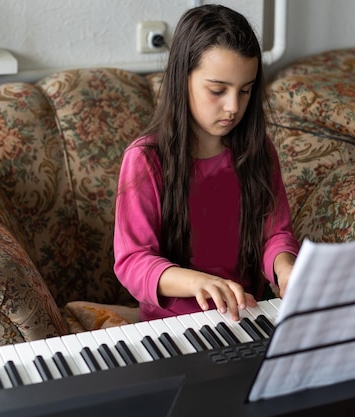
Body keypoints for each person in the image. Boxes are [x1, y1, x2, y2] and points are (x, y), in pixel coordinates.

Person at [113, 4, 300, 323]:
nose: (233, 107)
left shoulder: (258, 150)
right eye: (217, 90)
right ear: (182, 79)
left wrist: (286, 269)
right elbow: (133, 260)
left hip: (248, 313)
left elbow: (275, 233)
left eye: (245, 91)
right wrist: (198, 282)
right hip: (173, 324)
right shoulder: (146, 159)